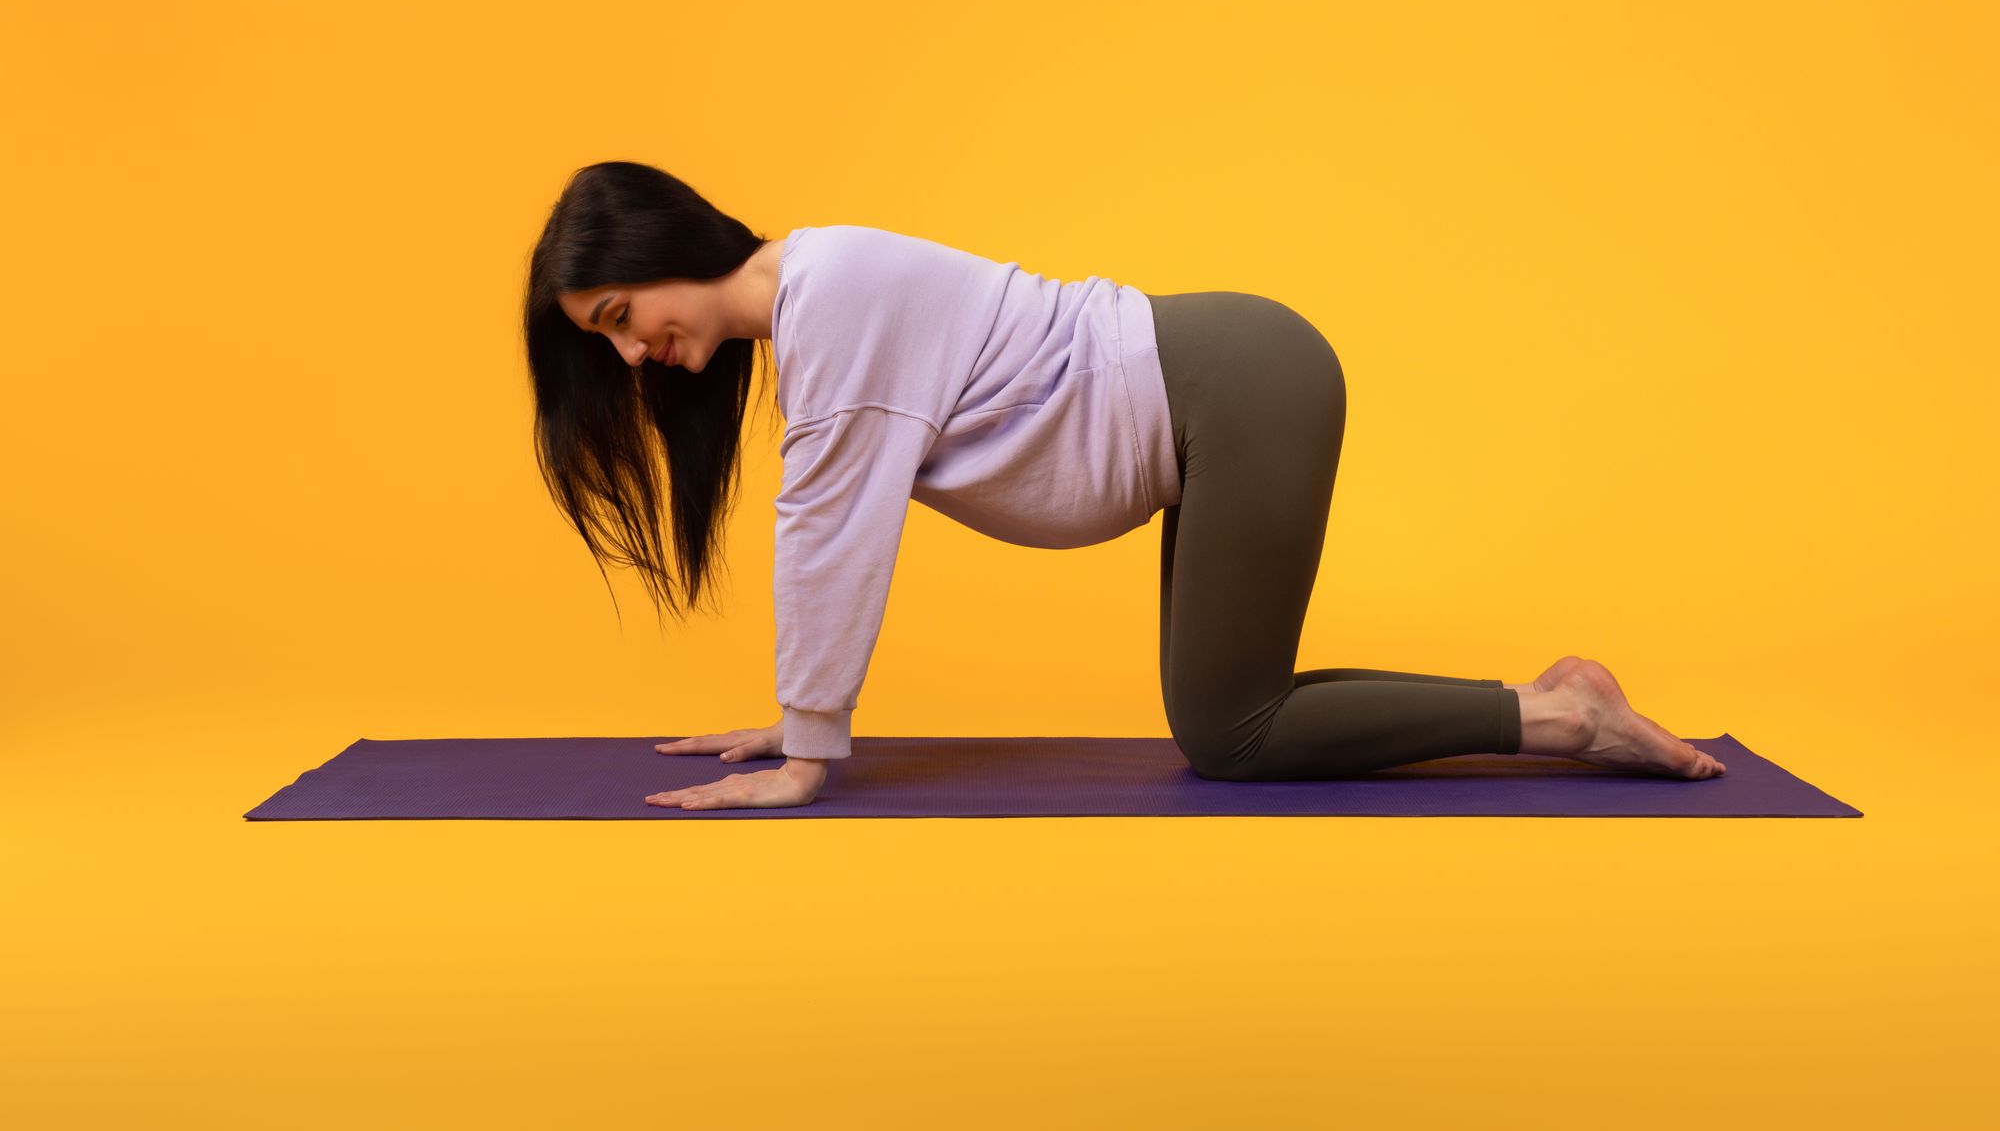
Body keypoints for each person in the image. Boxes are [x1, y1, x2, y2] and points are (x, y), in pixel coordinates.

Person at [522, 161, 1726, 811]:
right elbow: (825, 517)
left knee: (1231, 736)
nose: (633, 357)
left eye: (624, 317)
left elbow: (828, 530)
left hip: (1232, 381)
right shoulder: (814, 302)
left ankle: (1566, 722)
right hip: (1210, 390)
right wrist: (801, 723)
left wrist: (808, 752)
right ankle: (1552, 696)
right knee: (1232, 710)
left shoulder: (823, 294)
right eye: (607, 343)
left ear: (660, 252)